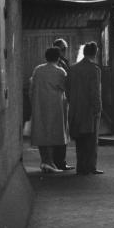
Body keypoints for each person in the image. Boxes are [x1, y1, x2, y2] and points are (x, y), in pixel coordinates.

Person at [30, 47, 70, 174]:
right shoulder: (60, 72)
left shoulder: (38, 70)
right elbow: (65, 88)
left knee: (42, 132)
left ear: (45, 57)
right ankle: (51, 163)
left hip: (40, 105)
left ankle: (45, 161)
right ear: (58, 58)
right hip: (55, 106)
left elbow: (32, 86)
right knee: (54, 133)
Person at [68, 42, 103, 174]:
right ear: (95, 53)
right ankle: (90, 167)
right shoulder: (95, 70)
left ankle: (81, 167)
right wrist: (98, 108)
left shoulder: (72, 69)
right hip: (90, 110)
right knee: (92, 140)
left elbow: (68, 90)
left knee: (80, 139)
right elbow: (95, 92)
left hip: (76, 109)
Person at [51, 38, 73, 171]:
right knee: (60, 131)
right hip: (60, 101)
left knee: (62, 131)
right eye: (63, 49)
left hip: (62, 100)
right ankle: (59, 161)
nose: (65, 52)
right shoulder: (59, 65)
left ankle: (59, 160)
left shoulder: (62, 62)